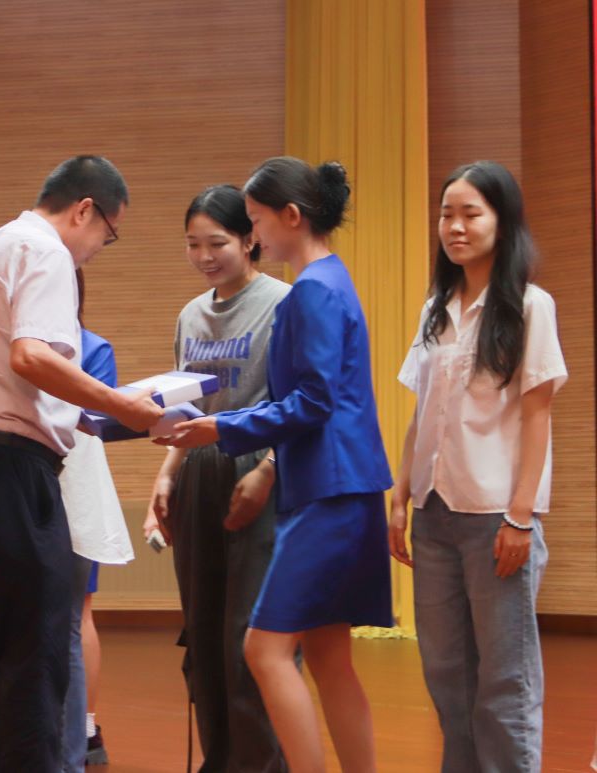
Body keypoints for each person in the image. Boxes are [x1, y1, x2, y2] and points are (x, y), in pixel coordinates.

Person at [162, 157, 393, 772]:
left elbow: (313, 401)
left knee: (263, 652)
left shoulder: (310, 291)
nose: (255, 234)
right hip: (345, 486)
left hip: (326, 490)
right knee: (328, 658)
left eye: (256, 221)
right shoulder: (331, 279)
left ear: (291, 216)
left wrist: (223, 426)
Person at [0, 155, 163, 772]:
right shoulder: (47, 252)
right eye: (107, 236)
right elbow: (30, 356)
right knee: (33, 652)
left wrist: (81, 412)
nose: (97, 251)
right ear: (85, 210)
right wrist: (118, 403)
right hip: (9, 468)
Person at [389, 161, 567, 773]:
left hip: (496, 518)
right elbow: (423, 412)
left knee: (505, 681)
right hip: (434, 512)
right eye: (447, 214)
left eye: (471, 214)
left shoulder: (530, 306)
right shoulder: (435, 309)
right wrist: (400, 495)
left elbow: (538, 416)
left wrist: (521, 516)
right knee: (447, 674)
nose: (455, 227)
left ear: (503, 221)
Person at [144, 185, 290, 772]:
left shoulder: (282, 303)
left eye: (218, 243)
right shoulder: (190, 315)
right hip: (199, 468)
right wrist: (167, 474)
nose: (204, 256)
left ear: (250, 239)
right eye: (193, 244)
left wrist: (270, 469)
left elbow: (296, 404)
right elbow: (187, 406)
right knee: (203, 632)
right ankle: (220, 760)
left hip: (256, 466)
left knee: (248, 634)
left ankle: (261, 763)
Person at [60, 269, 134, 771]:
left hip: (76, 489)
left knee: (77, 610)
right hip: (22, 486)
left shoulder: (92, 347)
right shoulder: (19, 345)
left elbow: (98, 421)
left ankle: (84, 727)